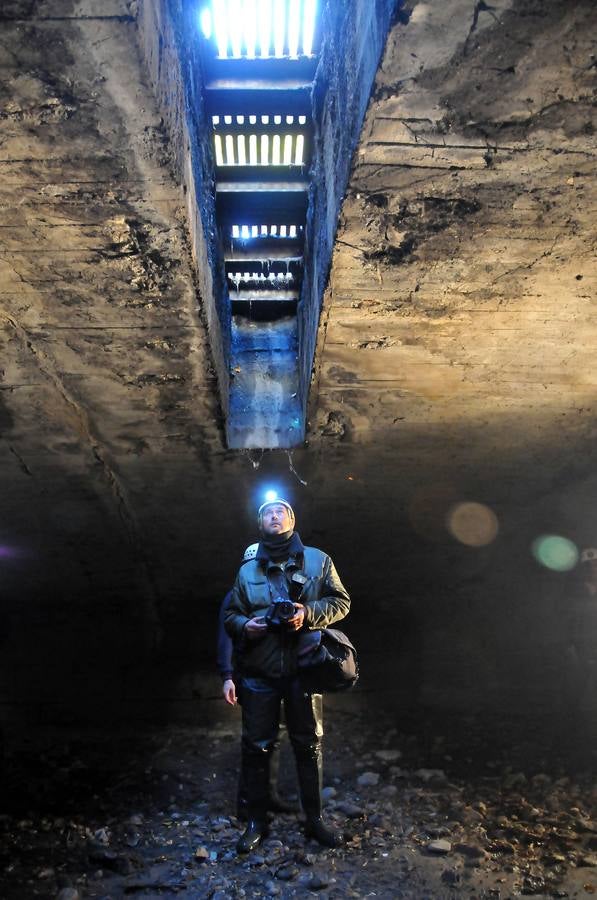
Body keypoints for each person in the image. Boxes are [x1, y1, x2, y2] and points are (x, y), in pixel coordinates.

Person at [224, 497, 350, 853]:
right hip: (259, 671)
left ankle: (315, 820)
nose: (273, 516)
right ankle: (256, 822)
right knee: (256, 746)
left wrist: (307, 613)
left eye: (280, 511)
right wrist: (246, 625)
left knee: (308, 745)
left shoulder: (318, 560)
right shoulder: (248, 570)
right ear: (260, 524)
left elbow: (341, 601)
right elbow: (230, 613)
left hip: (304, 670)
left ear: (292, 519)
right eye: (267, 513)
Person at [217, 551, 297, 819]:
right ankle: (247, 805)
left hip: (268, 674)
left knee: (272, 738)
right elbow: (226, 637)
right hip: (249, 675)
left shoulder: (269, 594)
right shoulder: (236, 596)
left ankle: (268, 796)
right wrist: (227, 676)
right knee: (255, 741)